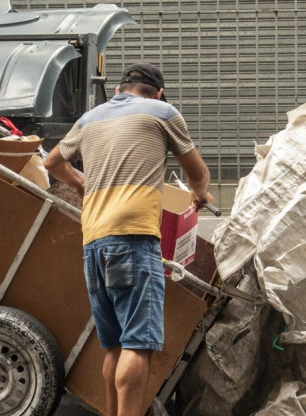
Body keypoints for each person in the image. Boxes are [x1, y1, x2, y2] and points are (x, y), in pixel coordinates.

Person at [44, 63, 211, 416]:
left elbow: (52, 162)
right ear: (158, 92)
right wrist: (199, 194)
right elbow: (197, 171)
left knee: (115, 346)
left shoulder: (90, 118)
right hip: (133, 239)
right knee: (138, 343)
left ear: (121, 88)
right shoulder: (163, 112)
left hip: (94, 242)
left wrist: (79, 183)